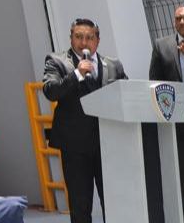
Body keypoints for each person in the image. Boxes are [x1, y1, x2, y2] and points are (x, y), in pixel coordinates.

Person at [43, 18, 126, 223]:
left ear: (97, 40)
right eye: (78, 37)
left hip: (107, 144)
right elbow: (51, 91)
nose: (84, 43)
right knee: (80, 205)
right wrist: (77, 73)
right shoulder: (57, 61)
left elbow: (124, 93)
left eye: (89, 37)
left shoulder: (113, 64)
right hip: (75, 146)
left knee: (114, 202)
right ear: (71, 38)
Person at [149, 4, 184, 221]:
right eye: (178, 19)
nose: (182, 22)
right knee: (182, 177)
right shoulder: (162, 45)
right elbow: (154, 82)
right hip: (178, 121)